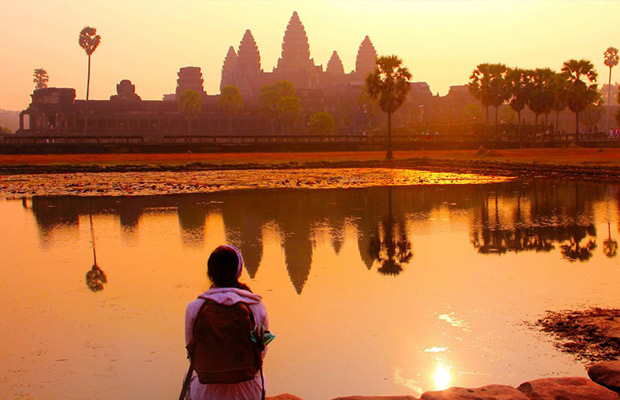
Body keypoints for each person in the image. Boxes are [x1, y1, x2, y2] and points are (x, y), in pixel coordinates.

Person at [184, 245, 270, 400]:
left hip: (206, 394)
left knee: (187, 378)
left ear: (210, 274)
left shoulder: (194, 308)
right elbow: (263, 349)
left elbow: (192, 353)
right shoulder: (256, 305)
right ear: (238, 271)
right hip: (249, 392)